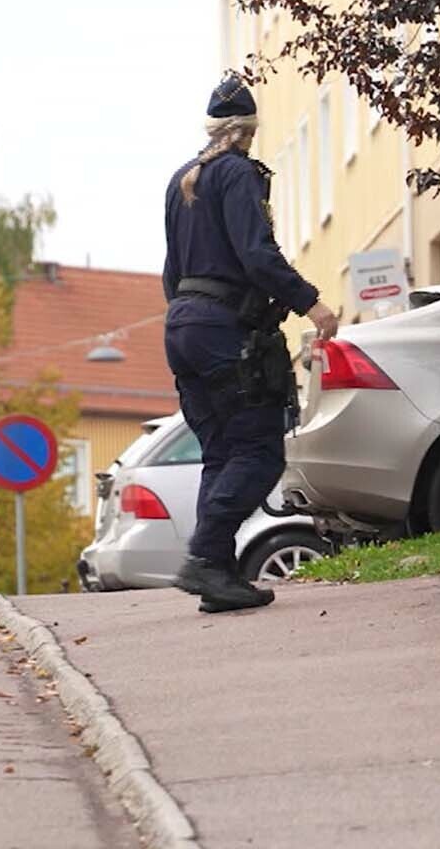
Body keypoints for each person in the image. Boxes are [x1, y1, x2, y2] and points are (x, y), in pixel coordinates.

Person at [163, 72, 340, 613]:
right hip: (223, 330)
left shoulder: (180, 180)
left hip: (182, 325)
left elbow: (171, 270)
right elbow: (257, 256)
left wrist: (187, 320)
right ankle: (204, 559)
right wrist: (313, 303)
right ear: (248, 130)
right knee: (260, 454)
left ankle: (217, 575)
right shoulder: (236, 174)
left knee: (220, 452)